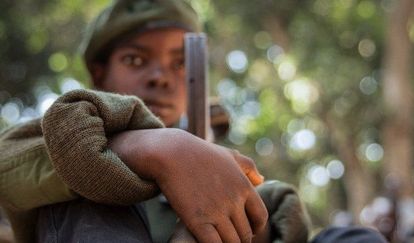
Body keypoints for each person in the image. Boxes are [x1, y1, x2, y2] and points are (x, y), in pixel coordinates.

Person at [0, 0, 387, 242]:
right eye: (136, 59)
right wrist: (149, 147)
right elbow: (10, 166)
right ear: (99, 76)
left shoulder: (222, 161)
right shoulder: (52, 135)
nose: (160, 77)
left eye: (181, 63)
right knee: (85, 197)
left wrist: (244, 221)